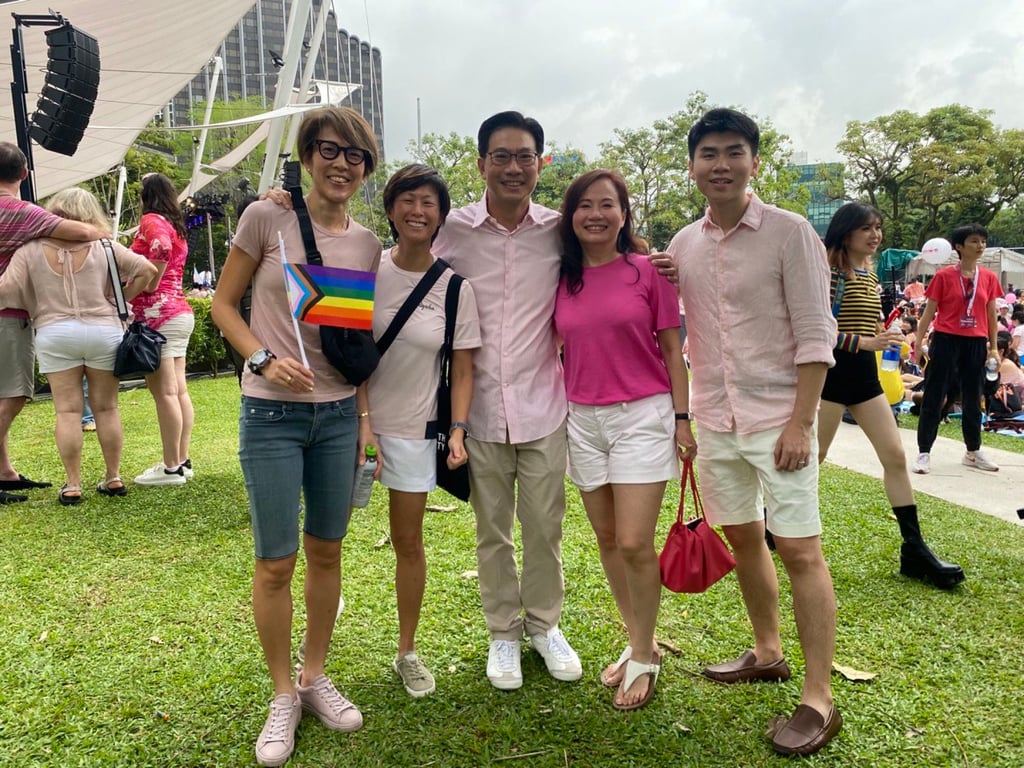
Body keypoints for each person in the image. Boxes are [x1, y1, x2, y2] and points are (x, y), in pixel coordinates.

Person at [668, 108, 841, 756]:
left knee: (799, 550)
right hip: (716, 419)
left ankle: (819, 698)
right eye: (708, 153)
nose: (721, 164)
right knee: (743, 538)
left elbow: (816, 335)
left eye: (733, 151)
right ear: (693, 166)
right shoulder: (684, 245)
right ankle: (768, 652)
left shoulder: (792, 233)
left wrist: (801, 423)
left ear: (754, 161)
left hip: (778, 421)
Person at [212, 107, 380, 767]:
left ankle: (314, 677)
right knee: (276, 561)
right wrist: (261, 359)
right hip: (271, 417)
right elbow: (223, 304)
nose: (342, 164)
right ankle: (283, 693)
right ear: (308, 156)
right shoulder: (267, 218)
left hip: (337, 417)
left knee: (328, 552)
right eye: (329, 150)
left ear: (366, 169)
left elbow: (351, 345)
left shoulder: (367, 244)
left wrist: (362, 420)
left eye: (355, 155)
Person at [431, 111, 582, 691]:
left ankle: (544, 625)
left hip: (544, 407)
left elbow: (613, 251)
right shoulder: (453, 229)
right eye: (501, 156)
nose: (513, 167)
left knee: (544, 527)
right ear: (481, 164)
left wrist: (659, 262)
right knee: (491, 530)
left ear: (541, 164)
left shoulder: (560, 230)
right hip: (477, 412)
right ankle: (503, 632)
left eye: (524, 156)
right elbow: (404, 258)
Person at [553, 169, 694, 710]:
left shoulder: (648, 272)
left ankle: (644, 655)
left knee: (635, 542)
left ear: (623, 213)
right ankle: (641, 641)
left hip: (642, 415)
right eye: (584, 205)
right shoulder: (561, 277)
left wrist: (682, 418)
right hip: (581, 417)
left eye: (606, 204)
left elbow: (673, 349)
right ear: (570, 216)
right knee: (609, 539)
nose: (595, 214)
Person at [364, 164, 481, 697]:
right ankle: (315, 649)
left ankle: (407, 651)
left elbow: (464, 369)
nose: (418, 211)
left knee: (408, 541)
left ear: (441, 216)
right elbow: (339, 349)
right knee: (326, 538)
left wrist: (457, 429)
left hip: (414, 429)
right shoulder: (364, 269)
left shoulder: (455, 289)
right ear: (391, 209)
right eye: (407, 200)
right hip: (352, 425)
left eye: (429, 202)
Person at [816, 203, 964, 589]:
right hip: (831, 375)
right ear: (845, 232)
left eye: (878, 227)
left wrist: (885, 334)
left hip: (866, 378)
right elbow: (817, 331)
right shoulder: (830, 274)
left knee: (895, 457)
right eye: (866, 228)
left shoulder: (869, 274)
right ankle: (774, 523)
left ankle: (914, 548)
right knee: (813, 457)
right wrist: (866, 342)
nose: (875, 234)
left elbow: (865, 326)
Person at [0, 188, 157, 503]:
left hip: (55, 332)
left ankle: (72, 484)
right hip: (104, 331)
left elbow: (6, 290)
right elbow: (148, 270)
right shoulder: (105, 245)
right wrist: (120, 299)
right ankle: (113, 477)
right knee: (107, 408)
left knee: (68, 411)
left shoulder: (30, 249)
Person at [0, 142, 109, 504]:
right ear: (24, 174)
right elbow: (82, 232)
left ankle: (5, 472)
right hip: (7, 315)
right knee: (13, 396)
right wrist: (101, 231)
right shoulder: (24, 214)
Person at [913, 223, 1002, 474]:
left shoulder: (989, 278)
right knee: (934, 394)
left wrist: (994, 348)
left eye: (983, 241)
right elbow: (929, 312)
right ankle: (924, 452)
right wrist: (918, 343)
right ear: (959, 247)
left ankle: (973, 451)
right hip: (945, 340)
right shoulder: (943, 277)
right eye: (974, 241)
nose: (980, 246)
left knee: (974, 397)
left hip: (975, 342)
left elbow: (991, 314)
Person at [130, 173, 196, 486]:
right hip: (178, 312)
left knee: (165, 392)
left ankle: (170, 467)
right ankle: (181, 461)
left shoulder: (152, 221)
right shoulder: (175, 225)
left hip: (158, 316)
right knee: (178, 390)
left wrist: (146, 283)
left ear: (147, 195)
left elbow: (160, 248)